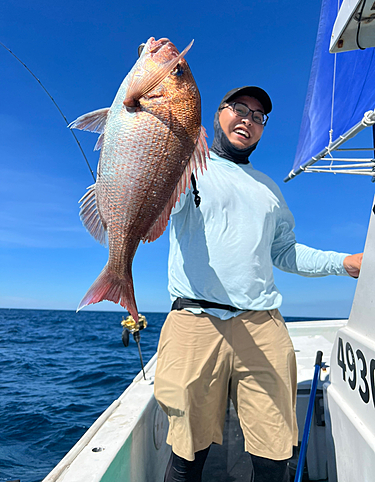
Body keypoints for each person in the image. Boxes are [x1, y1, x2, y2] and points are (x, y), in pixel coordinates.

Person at [154, 86, 363, 482]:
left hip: (262, 324)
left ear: (262, 129)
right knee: (187, 452)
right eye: (239, 109)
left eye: (258, 115)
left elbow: (286, 253)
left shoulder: (270, 191)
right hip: (194, 321)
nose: (247, 119)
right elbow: (156, 201)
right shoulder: (187, 167)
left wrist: (345, 263)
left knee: (274, 453)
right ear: (218, 115)